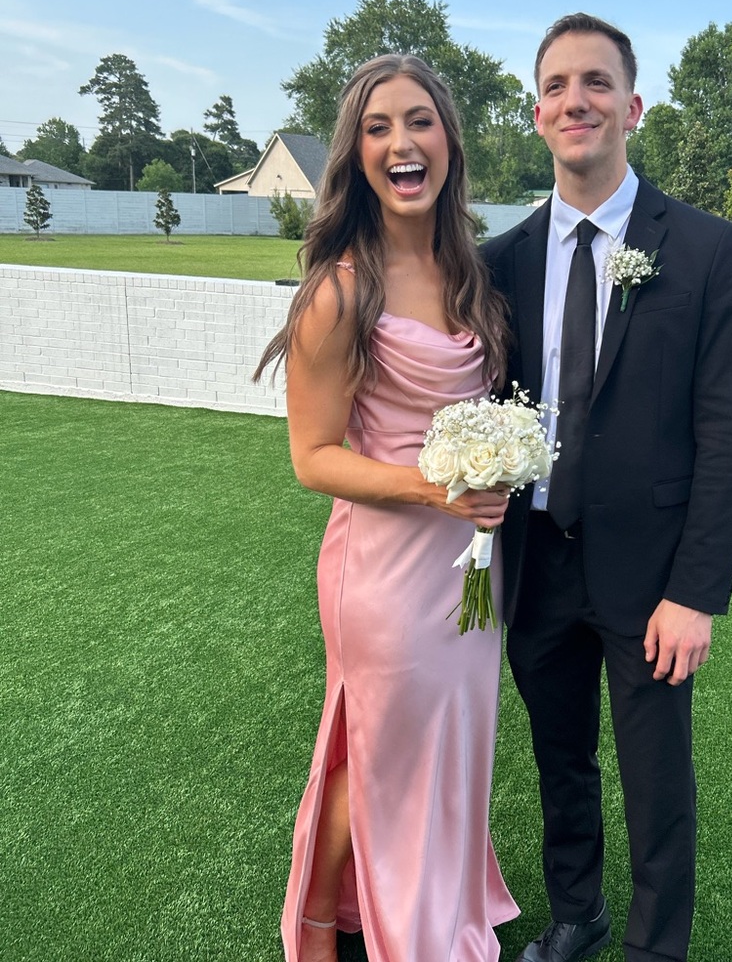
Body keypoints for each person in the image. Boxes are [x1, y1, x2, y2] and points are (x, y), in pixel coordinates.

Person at [482, 14, 732, 962]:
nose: (577, 101)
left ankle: (654, 945)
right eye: (557, 87)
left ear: (632, 107)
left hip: (652, 578)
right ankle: (578, 912)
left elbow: (728, 435)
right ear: (537, 115)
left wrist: (696, 592)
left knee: (656, 776)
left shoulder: (706, 249)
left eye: (596, 83)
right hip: (538, 565)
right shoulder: (503, 260)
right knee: (560, 760)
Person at [254, 54, 519, 962]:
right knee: (375, 747)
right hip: (383, 574)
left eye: (419, 121)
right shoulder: (341, 291)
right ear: (356, 155)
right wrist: (437, 489)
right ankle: (317, 920)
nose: (401, 142)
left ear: (449, 140)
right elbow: (312, 458)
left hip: (469, 571)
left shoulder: (471, 273)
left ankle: (431, 903)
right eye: (377, 128)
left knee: (449, 742)